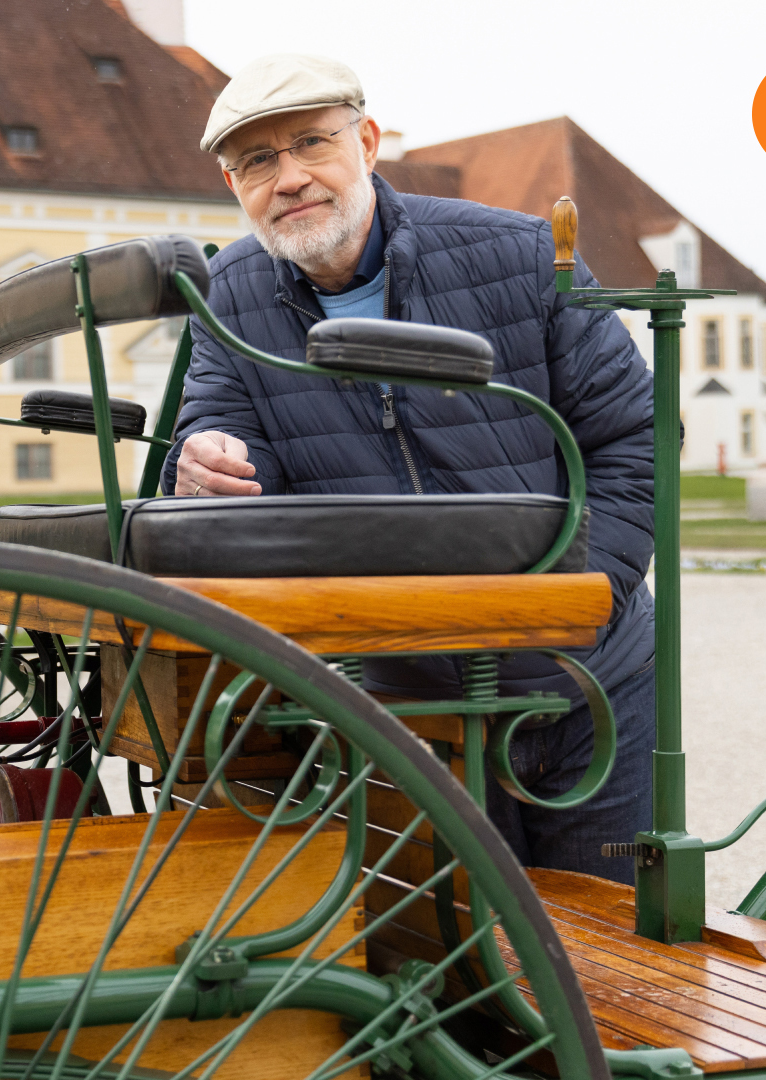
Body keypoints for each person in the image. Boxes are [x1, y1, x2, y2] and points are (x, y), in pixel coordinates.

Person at [161, 54, 656, 884]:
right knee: (458, 971)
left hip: (589, 681)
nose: (289, 178)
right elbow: (217, 437)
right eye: (257, 161)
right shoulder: (226, 297)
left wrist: (572, 602)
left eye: (312, 144)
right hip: (407, 701)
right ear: (231, 182)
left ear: (367, 141)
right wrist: (205, 463)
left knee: (618, 958)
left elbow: (635, 442)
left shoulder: (522, 255)